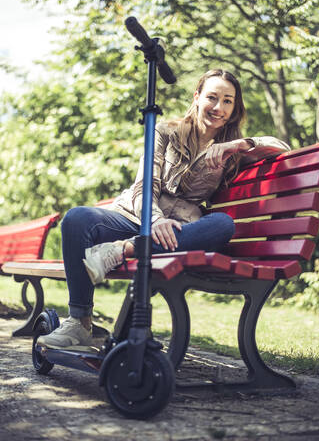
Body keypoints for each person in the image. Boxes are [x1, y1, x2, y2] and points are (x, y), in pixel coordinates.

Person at [38, 68, 290, 349]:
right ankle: (79, 323)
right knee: (76, 219)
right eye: (212, 97)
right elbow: (145, 184)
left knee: (222, 225)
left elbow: (281, 146)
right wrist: (154, 220)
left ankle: (126, 249)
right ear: (197, 97)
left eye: (228, 101)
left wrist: (243, 144)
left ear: (234, 108)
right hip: (136, 217)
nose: (219, 107)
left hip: (180, 230)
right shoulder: (166, 132)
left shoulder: (233, 150)